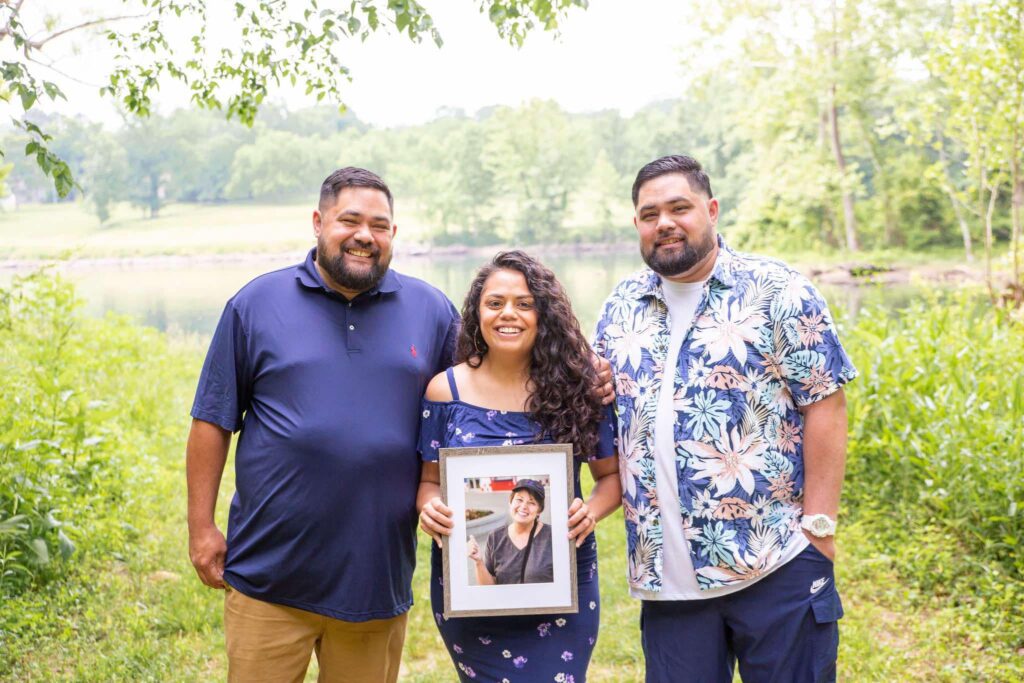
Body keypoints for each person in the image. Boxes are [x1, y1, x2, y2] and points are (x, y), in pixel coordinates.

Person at [185, 167, 461, 683]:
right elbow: (212, 419)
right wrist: (201, 528)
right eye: (349, 220)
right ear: (318, 222)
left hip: (374, 580)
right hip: (270, 575)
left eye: (379, 225)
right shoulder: (255, 305)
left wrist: (587, 377)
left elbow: (484, 392)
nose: (364, 235)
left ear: (393, 234)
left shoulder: (433, 311)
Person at [593, 155, 858, 683]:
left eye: (679, 208)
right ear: (637, 226)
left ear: (711, 210)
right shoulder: (621, 306)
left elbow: (825, 402)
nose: (664, 223)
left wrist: (819, 528)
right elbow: (601, 398)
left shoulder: (778, 291)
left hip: (774, 560)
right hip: (668, 580)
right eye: (650, 214)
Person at [417, 250, 621, 683]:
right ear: (477, 312)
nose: (508, 314)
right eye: (495, 303)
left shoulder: (581, 386)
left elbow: (609, 478)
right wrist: (430, 509)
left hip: (563, 586)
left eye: (524, 303)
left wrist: (592, 511)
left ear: (543, 314)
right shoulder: (444, 391)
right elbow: (429, 483)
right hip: (472, 597)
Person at [468, 479, 554, 585]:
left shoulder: (552, 536)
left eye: (531, 502)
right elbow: (489, 588)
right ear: (510, 502)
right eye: (519, 500)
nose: (523, 506)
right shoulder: (495, 537)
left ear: (539, 510)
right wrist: (478, 562)